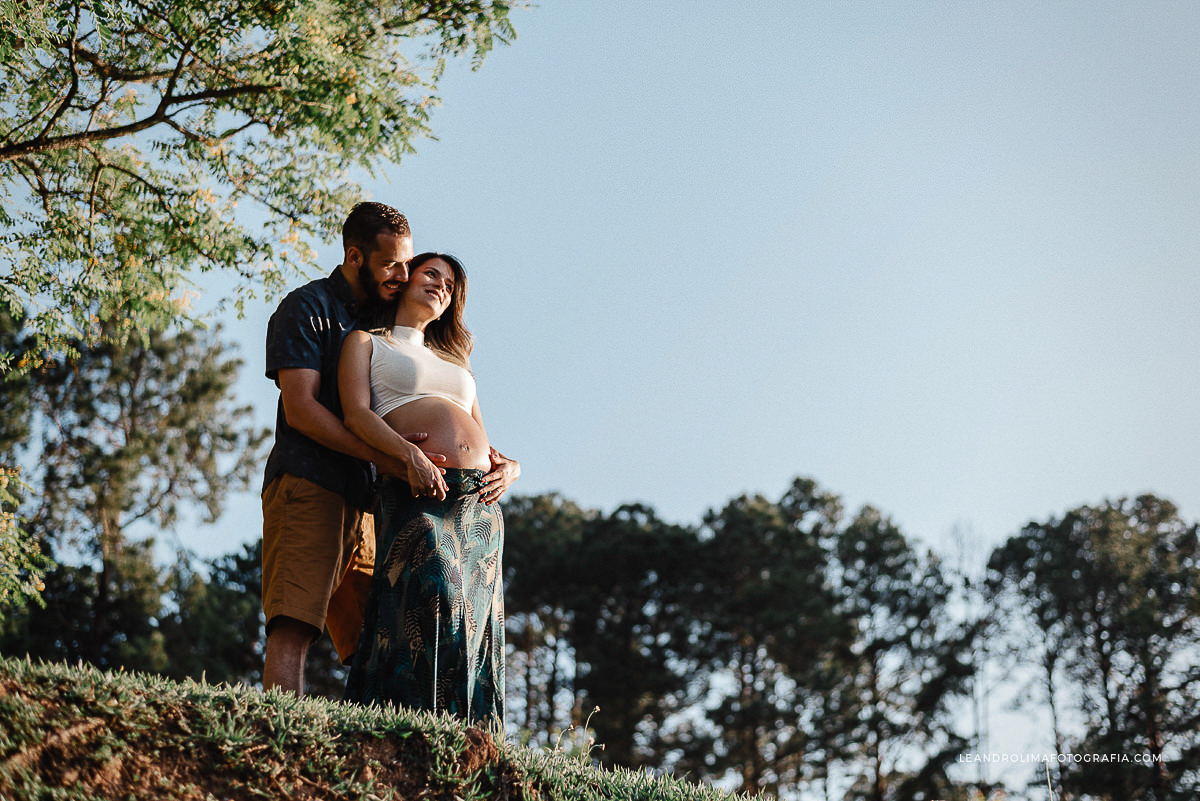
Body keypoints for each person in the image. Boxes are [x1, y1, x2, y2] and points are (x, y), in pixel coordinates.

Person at [261, 202, 438, 695]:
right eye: (391, 264)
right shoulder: (308, 307)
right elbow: (302, 409)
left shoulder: (384, 319)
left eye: (407, 263)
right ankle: (279, 743)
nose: (403, 276)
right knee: (294, 626)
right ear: (355, 256)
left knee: (376, 646)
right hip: (308, 484)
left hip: (370, 504)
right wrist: (390, 457)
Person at [339, 252, 518, 728]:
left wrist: (513, 469)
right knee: (432, 593)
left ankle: (470, 739)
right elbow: (356, 415)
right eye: (431, 273)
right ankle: (404, 726)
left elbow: (484, 438)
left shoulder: (457, 364)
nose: (441, 284)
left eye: (450, 283)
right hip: (415, 487)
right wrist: (408, 455)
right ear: (405, 280)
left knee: (474, 621)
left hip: (477, 501)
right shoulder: (366, 343)